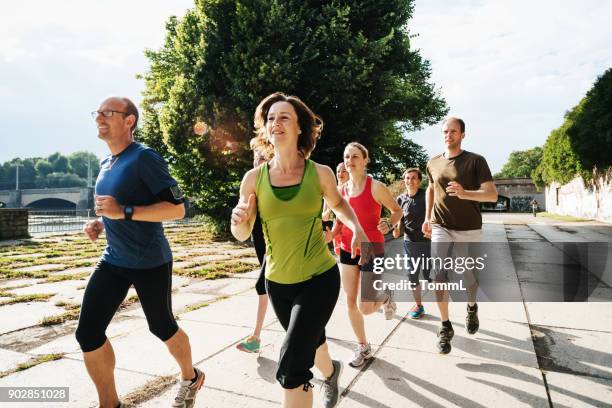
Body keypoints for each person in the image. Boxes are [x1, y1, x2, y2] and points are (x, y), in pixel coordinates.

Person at [231, 92, 369, 408]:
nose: (275, 123)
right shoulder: (253, 179)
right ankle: (331, 372)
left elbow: (338, 204)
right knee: (312, 342)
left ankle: (318, 377)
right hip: (278, 283)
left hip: (319, 277)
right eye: (270, 118)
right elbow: (241, 231)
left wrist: (357, 227)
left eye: (284, 117)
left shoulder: (319, 173)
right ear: (265, 130)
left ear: (298, 129)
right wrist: (238, 220)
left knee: (293, 362)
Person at [76, 97, 204, 408]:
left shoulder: (145, 158)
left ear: (129, 120)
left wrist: (125, 212)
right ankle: (110, 404)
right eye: (98, 113)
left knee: (161, 326)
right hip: (114, 260)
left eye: (108, 113)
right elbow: (116, 210)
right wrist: (100, 223)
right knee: (88, 333)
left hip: (150, 261)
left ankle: (190, 377)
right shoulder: (107, 163)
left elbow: (178, 209)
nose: (99, 118)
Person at [422, 117, 498, 354]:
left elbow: (492, 195)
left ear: (463, 134)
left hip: (468, 227)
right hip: (440, 226)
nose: (449, 135)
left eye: (454, 131)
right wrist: (427, 217)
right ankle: (445, 326)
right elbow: (431, 189)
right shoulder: (433, 162)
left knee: (469, 277)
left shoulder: (476, 161)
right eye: (445, 131)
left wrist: (466, 194)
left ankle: (472, 306)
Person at [338, 142, 403, 368]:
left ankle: (385, 296)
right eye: (347, 156)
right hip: (347, 249)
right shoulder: (341, 190)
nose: (350, 160)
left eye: (355, 156)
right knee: (350, 302)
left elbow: (397, 211)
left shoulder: (376, 187)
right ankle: (363, 346)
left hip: (372, 248)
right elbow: (339, 221)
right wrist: (330, 235)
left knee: (365, 307)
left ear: (365, 160)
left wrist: (389, 222)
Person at [236, 150, 270, 353]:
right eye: (257, 158)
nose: (259, 162)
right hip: (260, 241)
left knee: (262, 285)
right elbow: (241, 216)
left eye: (264, 158)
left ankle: (255, 337)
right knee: (273, 288)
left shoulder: (276, 184)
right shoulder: (251, 184)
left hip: (278, 243)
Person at [392, 167, 430, 319]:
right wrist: (397, 229)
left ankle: (443, 305)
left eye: (414, 178)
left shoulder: (427, 196)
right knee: (412, 275)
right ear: (404, 181)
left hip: (428, 242)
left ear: (419, 181)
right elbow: (399, 220)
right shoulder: (400, 199)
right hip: (410, 242)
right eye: (408, 178)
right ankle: (419, 305)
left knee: (429, 276)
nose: (410, 181)